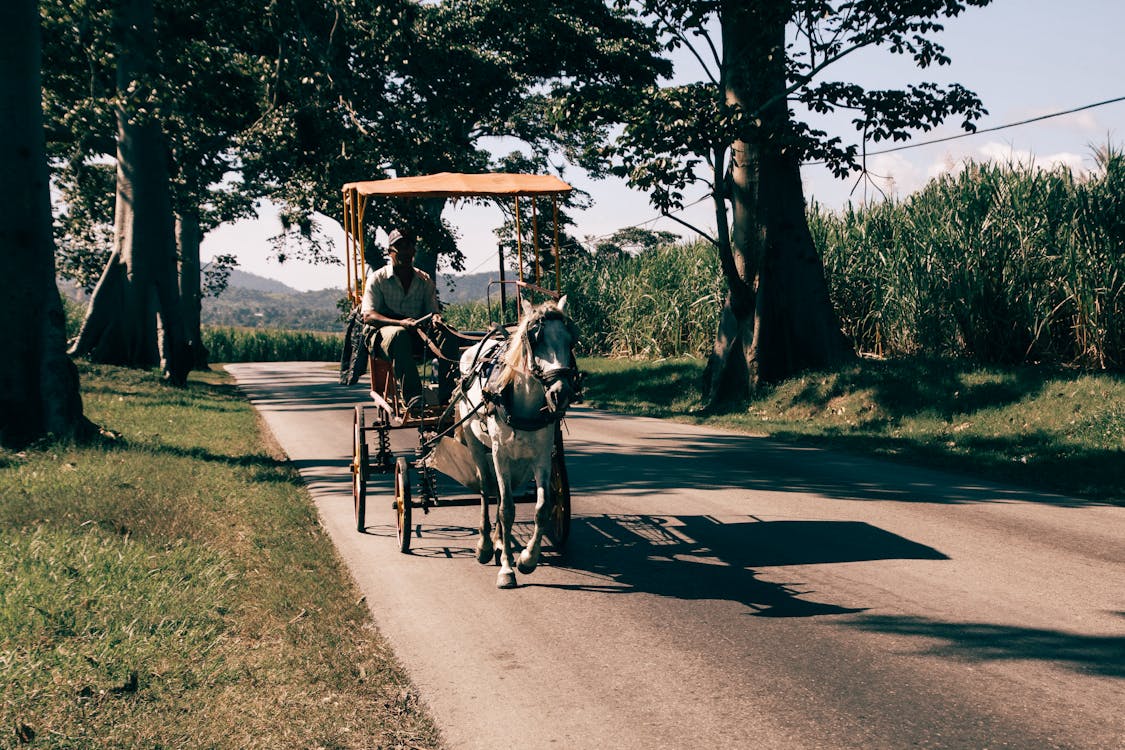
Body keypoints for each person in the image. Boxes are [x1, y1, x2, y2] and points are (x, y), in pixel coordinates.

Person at [361, 228, 458, 407]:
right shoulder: (377, 279)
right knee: (399, 334)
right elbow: (369, 315)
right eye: (399, 247)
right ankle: (413, 396)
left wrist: (436, 319)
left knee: (449, 335)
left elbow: (433, 311)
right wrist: (400, 322)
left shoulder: (424, 280)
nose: (404, 251)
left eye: (408, 247)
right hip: (383, 335)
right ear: (390, 252)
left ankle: (449, 396)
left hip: (417, 332)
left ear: (414, 251)